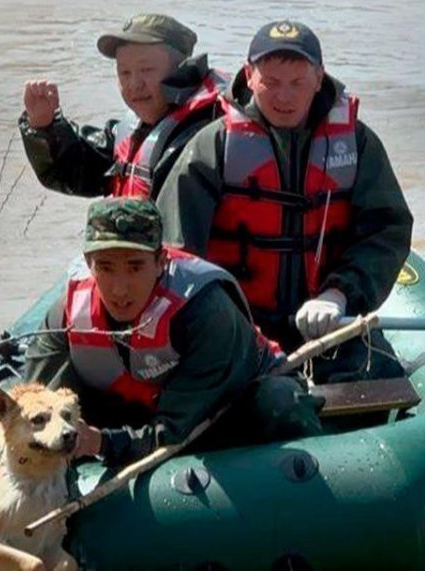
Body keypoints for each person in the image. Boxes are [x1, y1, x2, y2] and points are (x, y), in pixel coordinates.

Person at [156, 20, 412, 384]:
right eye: (271, 83)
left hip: (330, 322)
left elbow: (386, 232)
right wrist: (218, 322)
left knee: (384, 377)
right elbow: (176, 253)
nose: (284, 97)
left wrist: (339, 294)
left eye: (297, 83)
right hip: (236, 328)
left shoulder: (357, 143)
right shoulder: (213, 146)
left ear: (319, 78)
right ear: (249, 75)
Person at [23, 198, 321, 467]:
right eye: (106, 267)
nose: (120, 288)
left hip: (219, 410)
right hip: (136, 409)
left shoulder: (204, 311)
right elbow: (35, 411)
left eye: (135, 267)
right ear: (89, 265)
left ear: (161, 263)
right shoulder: (65, 317)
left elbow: (178, 428)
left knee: (280, 401)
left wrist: (103, 443)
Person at [20, 13, 228, 200]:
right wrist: (44, 126)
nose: (134, 84)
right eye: (124, 73)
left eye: (146, 69)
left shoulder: (211, 134)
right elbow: (76, 171)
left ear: (184, 72)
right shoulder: (129, 130)